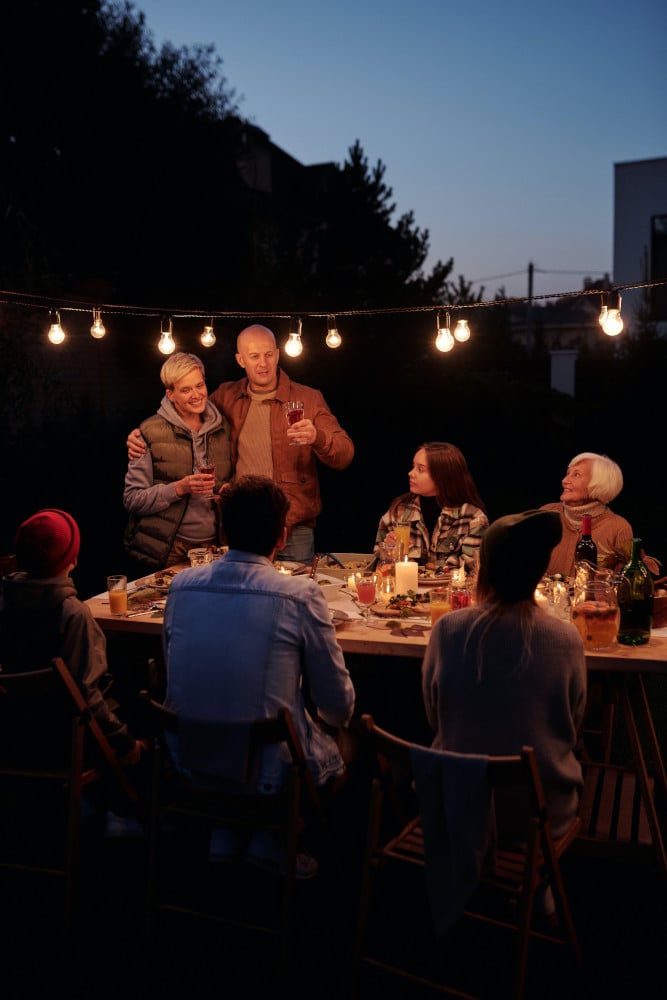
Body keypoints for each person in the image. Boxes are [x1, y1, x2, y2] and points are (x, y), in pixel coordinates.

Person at [162, 474, 356, 874]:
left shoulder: (181, 587)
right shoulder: (299, 595)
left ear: (224, 530)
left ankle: (232, 832)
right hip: (270, 778)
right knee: (351, 739)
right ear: (282, 537)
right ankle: (276, 838)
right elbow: (337, 705)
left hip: (191, 761)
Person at [421, 508, 587, 846]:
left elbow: (434, 716)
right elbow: (572, 723)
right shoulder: (565, 638)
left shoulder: (448, 630)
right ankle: (535, 891)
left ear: (484, 568)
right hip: (539, 813)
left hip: (459, 805)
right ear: (540, 571)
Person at [127, 324, 354, 564]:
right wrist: (143, 433)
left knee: (293, 595)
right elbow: (187, 406)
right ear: (240, 359)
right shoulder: (226, 397)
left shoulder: (308, 398)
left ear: (277, 354)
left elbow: (345, 454)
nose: (263, 364)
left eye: (268, 355)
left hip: (292, 526)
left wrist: (317, 436)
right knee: (243, 595)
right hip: (241, 526)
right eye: (254, 356)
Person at [0, 508, 143, 765]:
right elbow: (87, 695)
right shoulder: (72, 614)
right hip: (70, 739)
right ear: (72, 558)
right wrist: (124, 741)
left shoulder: (6, 602)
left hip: (18, 734)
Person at [123, 352, 232, 574]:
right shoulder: (148, 432)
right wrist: (180, 488)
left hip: (213, 546)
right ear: (170, 395)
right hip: (169, 548)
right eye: (186, 389)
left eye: (199, 385)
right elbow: (132, 500)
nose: (196, 395)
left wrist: (226, 492)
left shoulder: (223, 429)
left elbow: (225, 482)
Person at [374, 442, 489, 575]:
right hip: (406, 594)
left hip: (448, 594)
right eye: (413, 467)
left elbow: (475, 572)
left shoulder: (473, 518)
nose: (410, 473)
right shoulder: (398, 512)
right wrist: (389, 551)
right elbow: (378, 567)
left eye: (420, 469)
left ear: (443, 475)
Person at [539, 451, 633, 577]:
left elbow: (622, 587)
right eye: (568, 473)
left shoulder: (619, 528)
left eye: (576, 475)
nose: (564, 480)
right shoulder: (546, 514)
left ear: (598, 484)